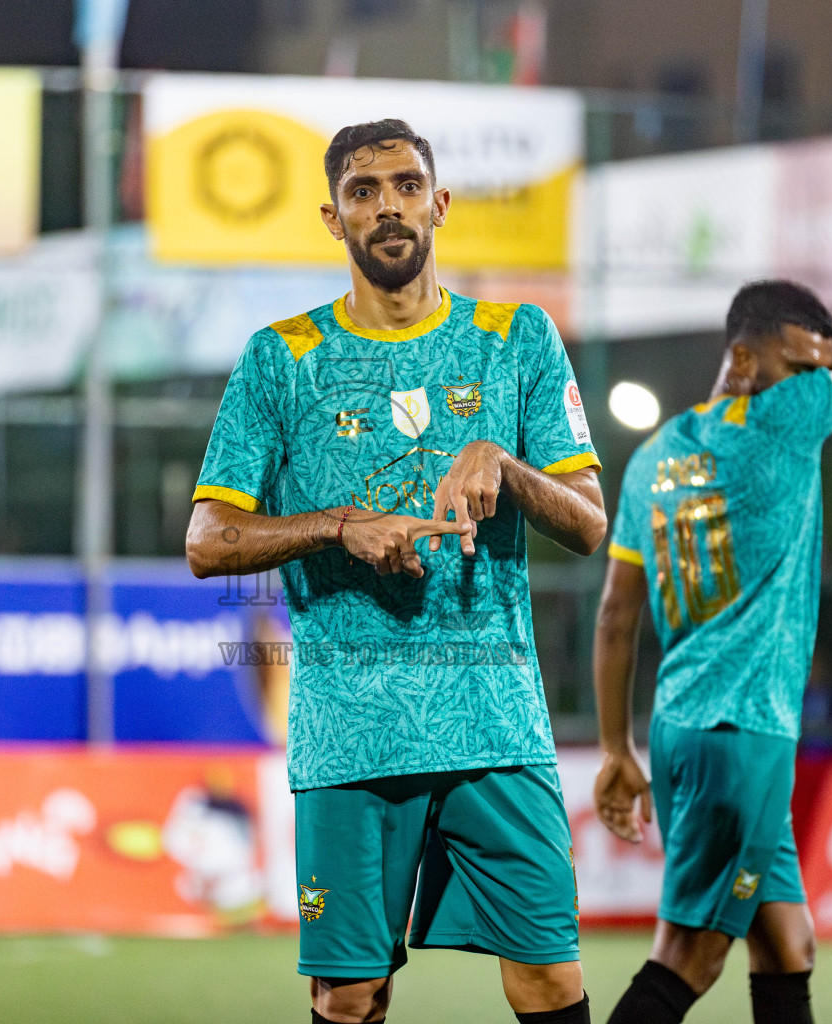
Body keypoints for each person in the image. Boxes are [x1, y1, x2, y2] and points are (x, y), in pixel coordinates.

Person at [186, 119, 606, 1024]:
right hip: (351, 733)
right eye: (365, 193)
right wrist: (340, 526)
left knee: (551, 976)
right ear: (333, 220)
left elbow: (589, 523)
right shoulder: (281, 358)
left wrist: (506, 461)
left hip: (496, 722)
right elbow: (208, 540)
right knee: (348, 995)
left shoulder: (516, 340)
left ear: (440, 204)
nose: (389, 208)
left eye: (407, 186)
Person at [591, 281, 832, 1024]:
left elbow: (617, 617)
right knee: (687, 955)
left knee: (787, 944)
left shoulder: (653, 456)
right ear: (743, 358)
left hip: (683, 729)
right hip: (744, 736)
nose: (819, 380)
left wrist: (618, 746)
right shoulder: (790, 418)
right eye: (802, 363)